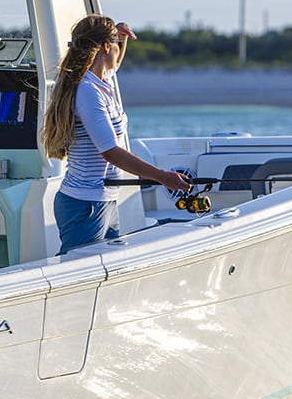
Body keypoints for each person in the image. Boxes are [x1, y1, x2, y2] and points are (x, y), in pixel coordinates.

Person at [41, 14, 190, 255]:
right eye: (114, 44)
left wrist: (121, 38)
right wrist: (162, 177)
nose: (118, 50)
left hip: (103, 200)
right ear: (104, 47)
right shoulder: (88, 91)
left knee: (106, 264)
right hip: (85, 204)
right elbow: (110, 152)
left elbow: (115, 63)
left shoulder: (98, 79)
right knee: (81, 269)